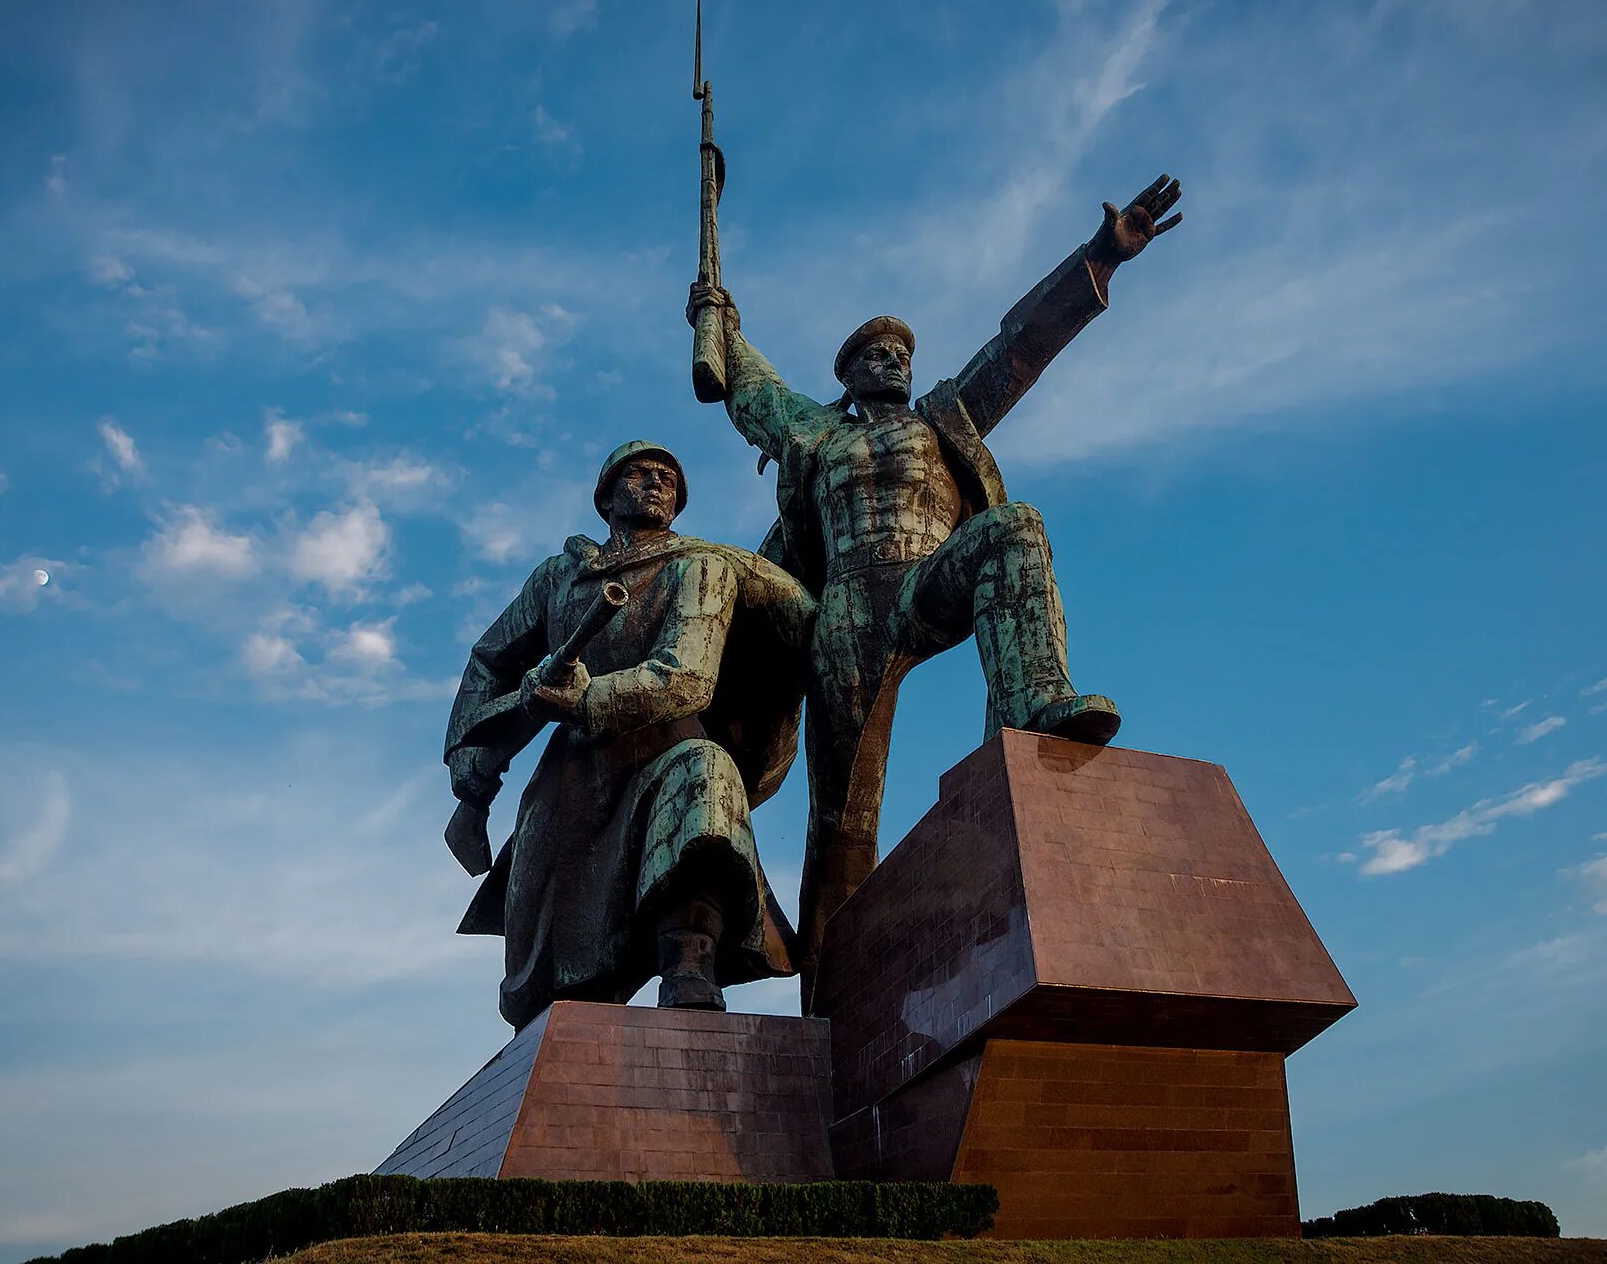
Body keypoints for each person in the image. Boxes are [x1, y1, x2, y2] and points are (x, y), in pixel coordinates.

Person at [686, 174, 1184, 1008]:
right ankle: (830, 1004)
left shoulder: (946, 413)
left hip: (925, 580)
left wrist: (1099, 259)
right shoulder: (813, 431)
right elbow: (747, 385)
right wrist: (716, 313)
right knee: (841, 825)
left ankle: (1035, 703)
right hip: (844, 609)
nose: (895, 361)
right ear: (847, 376)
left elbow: (1018, 347)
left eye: (903, 354)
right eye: (877, 355)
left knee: (1013, 528)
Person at [443, 441, 813, 1026]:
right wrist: (471, 773)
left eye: (667, 477)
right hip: (572, 775)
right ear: (607, 496)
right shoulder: (561, 577)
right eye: (639, 474)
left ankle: (689, 963)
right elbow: (491, 659)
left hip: (667, 749)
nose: (655, 483)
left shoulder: (701, 566)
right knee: (544, 991)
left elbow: (687, 676)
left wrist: (587, 696)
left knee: (705, 780)